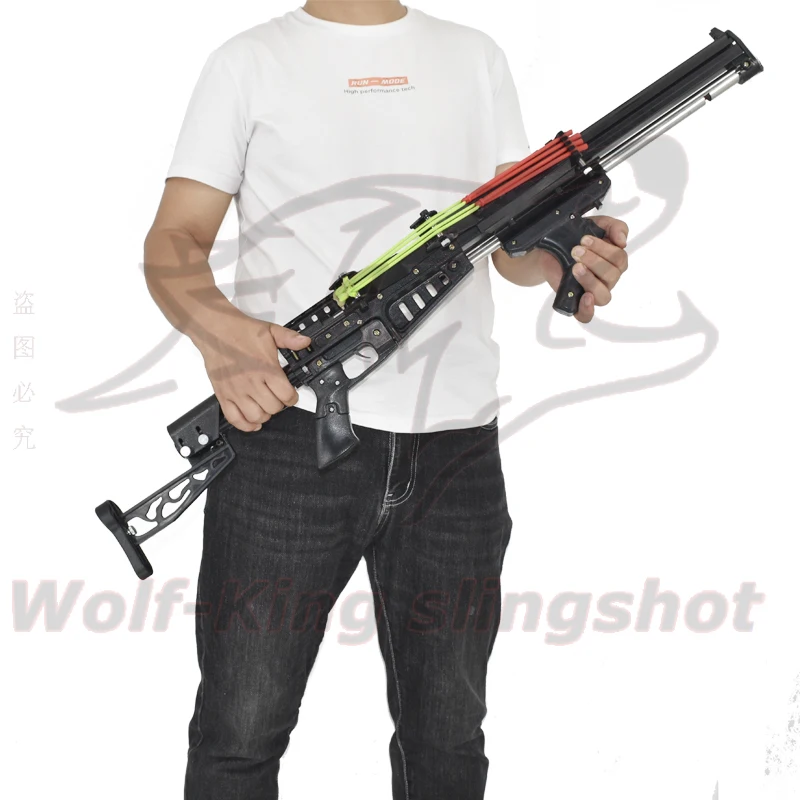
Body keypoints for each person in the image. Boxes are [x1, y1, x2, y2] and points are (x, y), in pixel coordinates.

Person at [143, 2, 630, 798]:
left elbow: (508, 244)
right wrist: (221, 336)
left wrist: (562, 258)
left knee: (448, 744)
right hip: (288, 441)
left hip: (457, 451)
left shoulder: (475, 56)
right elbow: (174, 239)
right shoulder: (249, 61)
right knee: (239, 734)